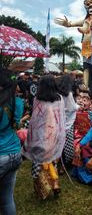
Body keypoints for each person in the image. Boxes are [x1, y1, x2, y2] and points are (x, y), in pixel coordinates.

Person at [22, 75, 66, 199]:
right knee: (52, 161)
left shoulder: (38, 99)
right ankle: (55, 185)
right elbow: (61, 118)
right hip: (55, 135)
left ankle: (42, 190)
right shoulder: (60, 99)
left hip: (41, 135)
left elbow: (35, 120)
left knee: (38, 162)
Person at [0, 68, 24, 215]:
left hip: (1, 154)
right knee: (7, 198)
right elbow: (16, 125)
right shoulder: (18, 102)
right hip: (15, 152)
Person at [56, 74, 79, 167]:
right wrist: (78, 105)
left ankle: (56, 163)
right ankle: (64, 165)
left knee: (58, 143)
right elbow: (72, 108)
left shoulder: (57, 92)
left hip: (58, 121)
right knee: (66, 144)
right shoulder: (68, 94)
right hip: (67, 122)